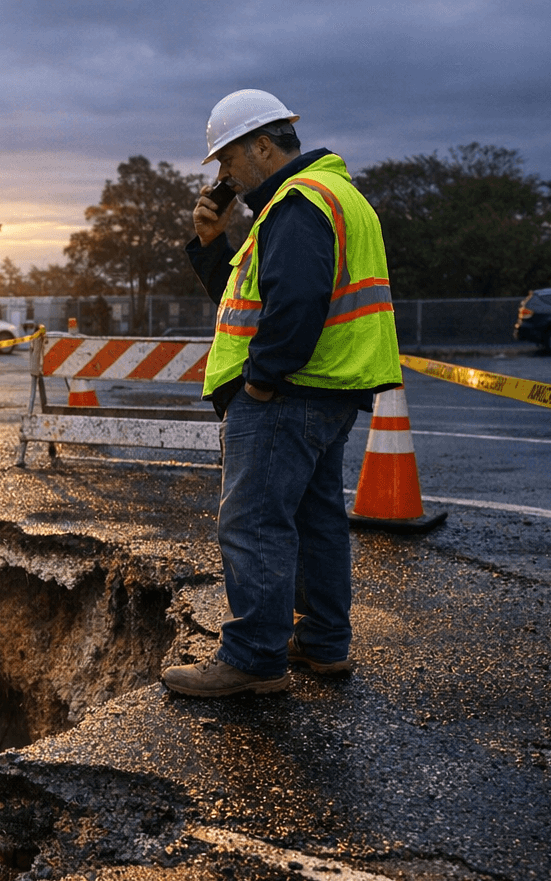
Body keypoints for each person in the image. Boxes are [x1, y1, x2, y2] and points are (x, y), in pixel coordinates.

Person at [162, 89, 402, 698]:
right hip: (327, 389)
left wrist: (263, 381)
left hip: (286, 394)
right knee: (315, 517)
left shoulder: (297, 204)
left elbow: (296, 303)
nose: (224, 177)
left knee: (255, 523)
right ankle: (322, 642)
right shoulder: (330, 196)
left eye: (227, 161)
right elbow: (246, 299)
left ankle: (253, 658)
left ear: (262, 145)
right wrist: (211, 242)